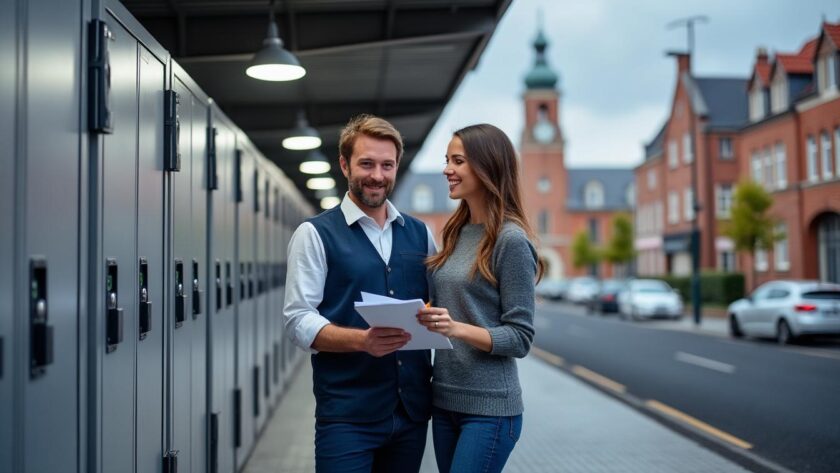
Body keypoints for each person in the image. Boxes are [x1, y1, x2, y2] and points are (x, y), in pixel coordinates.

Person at [283, 114, 437, 473]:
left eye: (387, 165)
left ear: (397, 166)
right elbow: (297, 319)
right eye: (366, 163)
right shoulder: (314, 234)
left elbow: (437, 306)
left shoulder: (421, 234)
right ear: (344, 164)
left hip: (411, 412)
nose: (377, 176)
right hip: (347, 417)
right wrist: (362, 341)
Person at [417, 123, 541, 473]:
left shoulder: (511, 241)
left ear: (486, 167)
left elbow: (520, 338)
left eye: (457, 161)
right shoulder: (456, 232)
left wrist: (456, 328)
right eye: (446, 160)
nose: (446, 170)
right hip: (444, 399)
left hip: (490, 409)